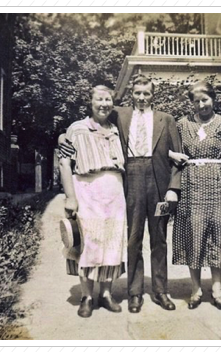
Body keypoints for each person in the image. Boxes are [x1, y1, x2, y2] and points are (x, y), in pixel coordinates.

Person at [60, 74, 182, 314]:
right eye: (137, 93)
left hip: (158, 180)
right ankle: (135, 293)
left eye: (146, 93)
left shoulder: (166, 119)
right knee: (132, 238)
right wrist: (63, 136)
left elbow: (177, 157)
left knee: (159, 239)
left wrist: (173, 188)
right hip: (130, 179)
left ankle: (161, 291)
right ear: (131, 95)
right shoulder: (119, 115)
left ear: (153, 94)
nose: (142, 97)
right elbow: (88, 122)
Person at [169, 81, 221, 311]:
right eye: (196, 101)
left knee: (219, 233)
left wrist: (216, 174)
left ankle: (217, 288)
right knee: (194, 233)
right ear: (191, 103)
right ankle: (196, 288)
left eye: (205, 99)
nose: (201, 105)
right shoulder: (182, 125)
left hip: (219, 185)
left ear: (213, 99)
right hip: (191, 186)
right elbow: (172, 151)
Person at [58, 85, 127, 318]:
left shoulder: (117, 130)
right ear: (91, 102)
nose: (104, 104)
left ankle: (106, 294)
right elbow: (64, 163)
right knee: (88, 243)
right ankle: (87, 296)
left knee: (112, 242)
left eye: (108, 99)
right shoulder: (77, 129)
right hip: (87, 192)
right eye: (99, 99)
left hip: (115, 193)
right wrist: (70, 197)